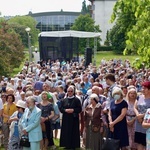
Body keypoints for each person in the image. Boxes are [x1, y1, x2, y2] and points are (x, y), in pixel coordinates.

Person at [59, 85, 82, 149]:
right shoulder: (64, 100)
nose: (70, 92)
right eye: (68, 91)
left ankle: (73, 145)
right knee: (66, 131)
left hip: (73, 118)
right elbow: (61, 108)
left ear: (73, 92)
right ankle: (66, 144)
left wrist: (73, 110)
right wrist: (65, 110)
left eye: (71, 91)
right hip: (66, 118)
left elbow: (80, 109)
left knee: (73, 132)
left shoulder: (76, 100)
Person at [135, 81, 150, 150]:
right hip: (138, 123)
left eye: (145, 88)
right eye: (142, 88)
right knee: (139, 142)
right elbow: (135, 107)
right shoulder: (139, 97)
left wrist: (142, 116)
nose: (142, 90)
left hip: (147, 123)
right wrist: (138, 115)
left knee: (146, 142)